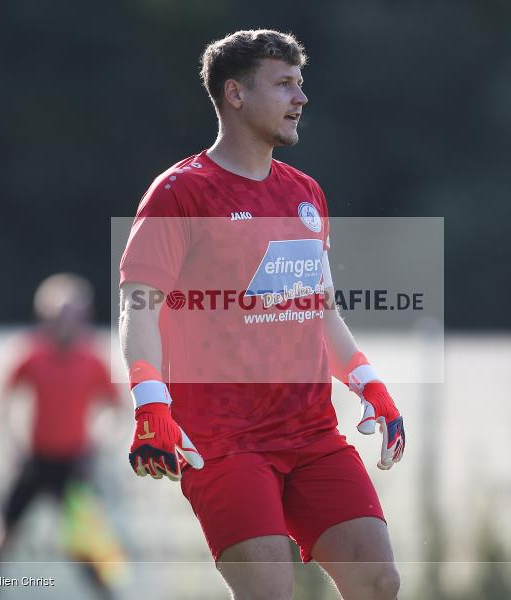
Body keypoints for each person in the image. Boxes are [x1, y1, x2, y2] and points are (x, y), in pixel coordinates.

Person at [118, 30, 405, 600]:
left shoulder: (306, 193)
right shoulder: (181, 192)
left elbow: (320, 313)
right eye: (284, 84)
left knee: (378, 582)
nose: (301, 97)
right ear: (236, 94)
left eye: (301, 83)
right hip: (224, 441)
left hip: (311, 432)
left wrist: (369, 383)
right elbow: (138, 305)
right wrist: (150, 402)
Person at [0, 273, 122, 600]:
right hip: (36, 461)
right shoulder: (31, 355)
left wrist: (98, 447)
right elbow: (1, 403)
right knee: (0, 534)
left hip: (72, 465)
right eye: (59, 315)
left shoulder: (92, 360)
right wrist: (12, 446)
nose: (66, 323)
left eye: (74, 315)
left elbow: (116, 410)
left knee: (85, 543)